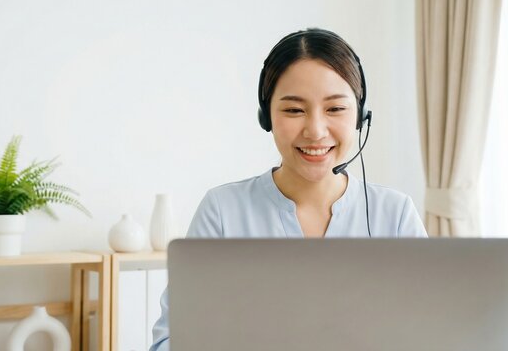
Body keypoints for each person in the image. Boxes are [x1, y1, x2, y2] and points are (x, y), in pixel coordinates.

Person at [149, 28, 427, 351]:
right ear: (266, 117)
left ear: (360, 116)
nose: (316, 131)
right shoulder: (222, 211)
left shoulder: (394, 215)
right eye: (294, 110)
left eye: (335, 109)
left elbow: (431, 335)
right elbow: (169, 342)